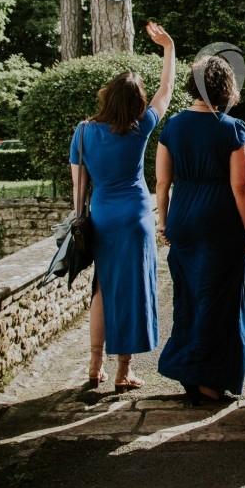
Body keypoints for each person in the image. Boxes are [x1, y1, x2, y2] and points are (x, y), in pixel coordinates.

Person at [70, 22, 176, 391]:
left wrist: (81, 216)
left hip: (101, 216)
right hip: (134, 216)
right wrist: (169, 49)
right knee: (132, 290)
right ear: (135, 103)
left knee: (101, 289)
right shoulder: (140, 126)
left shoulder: (83, 132)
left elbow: (77, 186)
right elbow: (166, 90)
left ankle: (94, 367)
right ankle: (123, 371)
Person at [156, 54, 245, 404]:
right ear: (225, 87)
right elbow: (239, 187)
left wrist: (163, 220)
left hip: (183, 215)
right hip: (220, 220)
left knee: (188, 296)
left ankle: (189, 369)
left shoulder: (172, 127)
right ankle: (209, 380)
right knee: (220, 300)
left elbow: (161, 181)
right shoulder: (233, 128)